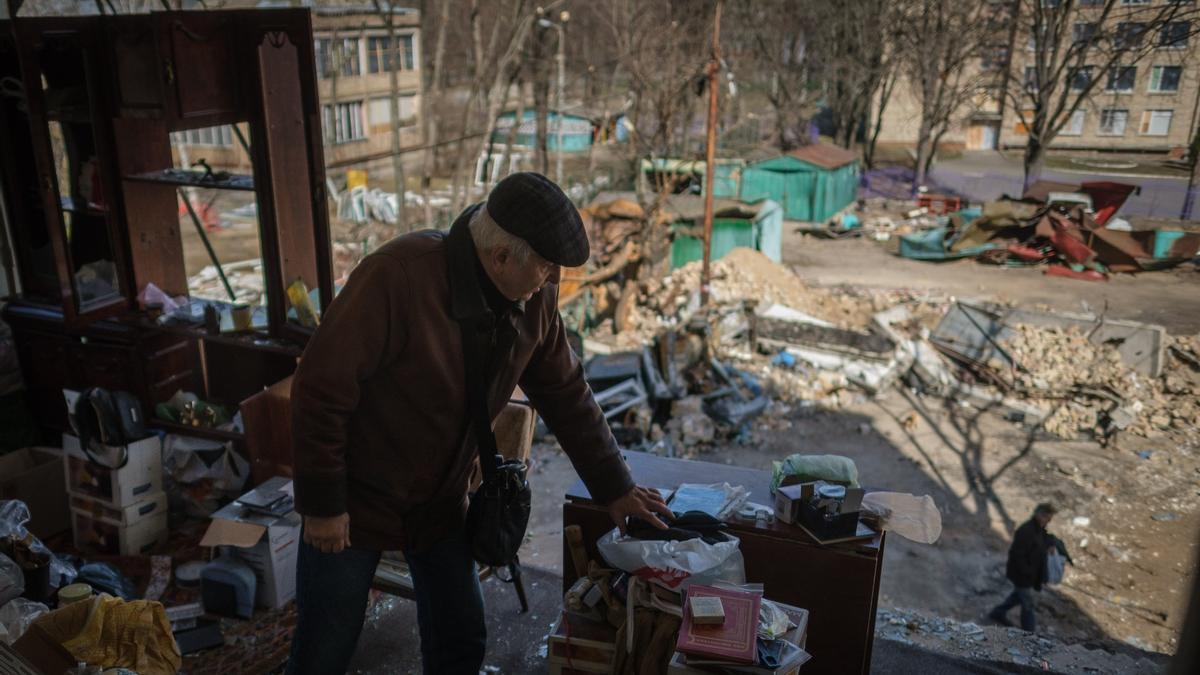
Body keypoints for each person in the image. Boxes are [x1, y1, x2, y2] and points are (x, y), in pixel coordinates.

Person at [285, 172, 674, 675]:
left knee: (461, 640)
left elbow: (566, 394)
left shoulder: (534, 300)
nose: (554, 279)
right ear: (501, 258)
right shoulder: (398, 276)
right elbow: (319, 390)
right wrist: (321, 505)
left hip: (442, 501)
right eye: (547, 265)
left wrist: (615, 486)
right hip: (356, 500)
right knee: (324, 647)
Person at [989, 502, 1057, 632]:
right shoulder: (1026, 531)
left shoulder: (1038, 529)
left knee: (1016, 597)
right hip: (1022, 575)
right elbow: (1017, 555)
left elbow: (1046, 537)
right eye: (1047, 518)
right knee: (1028, 605)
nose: (1048, 521)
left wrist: (1051, 544)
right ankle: (1029, 635)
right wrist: (1028, 573)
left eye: (1049, 519)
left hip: (1028, 575)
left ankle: (997, 613)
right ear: (1039, 515)